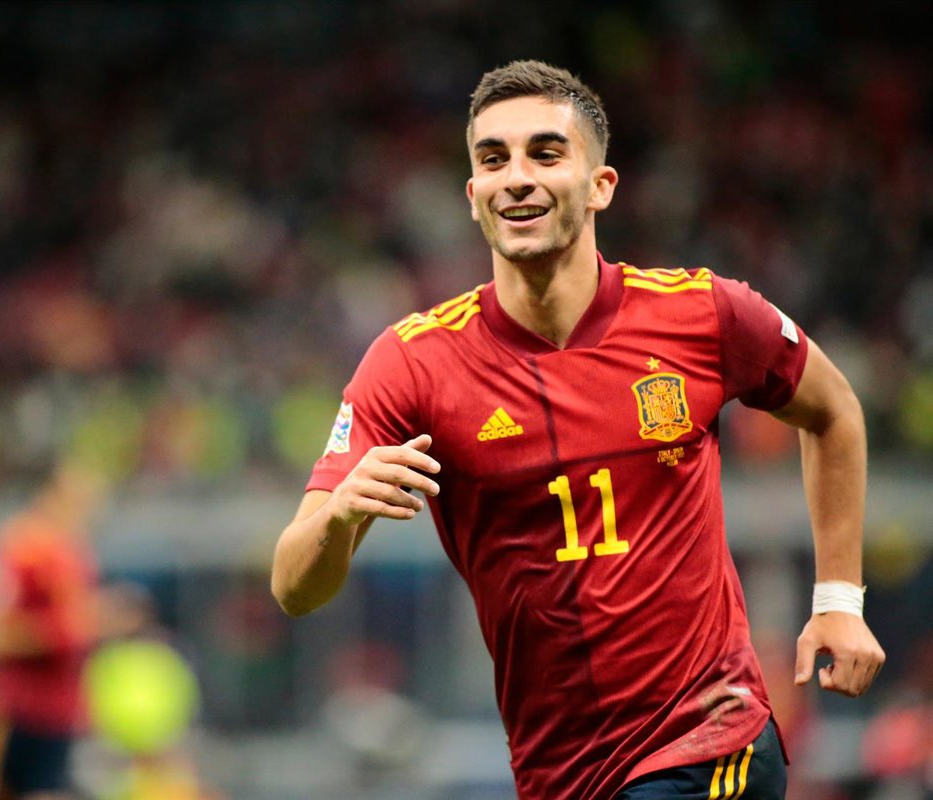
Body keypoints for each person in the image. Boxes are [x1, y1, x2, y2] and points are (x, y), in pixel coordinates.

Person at [270, 59, 886, 799]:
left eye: (545, 153)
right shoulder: (412, 364)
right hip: (558, 774)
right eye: (493, 159)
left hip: (706, 743)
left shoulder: (704, 314)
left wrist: (839, 601)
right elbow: (293, 588)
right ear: (472, 197)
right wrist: (339, 516)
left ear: (600, 185)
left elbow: (833, 409)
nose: (516, 178)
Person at [0, 462, 109, 800]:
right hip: (17, 714)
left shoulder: (73, 551)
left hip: (57, 716)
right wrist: (62, 629)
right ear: (50, 494)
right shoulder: (21, 548)